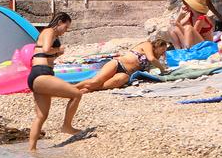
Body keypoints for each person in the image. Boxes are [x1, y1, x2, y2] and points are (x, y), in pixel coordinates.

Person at [26, 12, 83, 150]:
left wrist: (56, 53)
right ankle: (67, 126)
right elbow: (46, 49)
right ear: (59, 22)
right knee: (76, 94)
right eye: (66, 27)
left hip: (37, 75)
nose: (66, 30)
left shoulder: (48, 34)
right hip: (41, 74)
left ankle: (32, 151)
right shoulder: (49, 31)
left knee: (41, 116)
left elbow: (44, 53)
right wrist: (58, 50)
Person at [77, 37, 171, 92]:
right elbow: (151, 58)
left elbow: (150, 69)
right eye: (163, 49)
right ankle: (72, 88)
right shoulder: (147, 45)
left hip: (126, 73)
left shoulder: (154, 60)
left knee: (121, 79)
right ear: (157, 45)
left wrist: (163, 60)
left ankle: (92, 89)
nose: (164, 52)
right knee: (96, 81)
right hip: (118, 64)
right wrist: (162, 69)